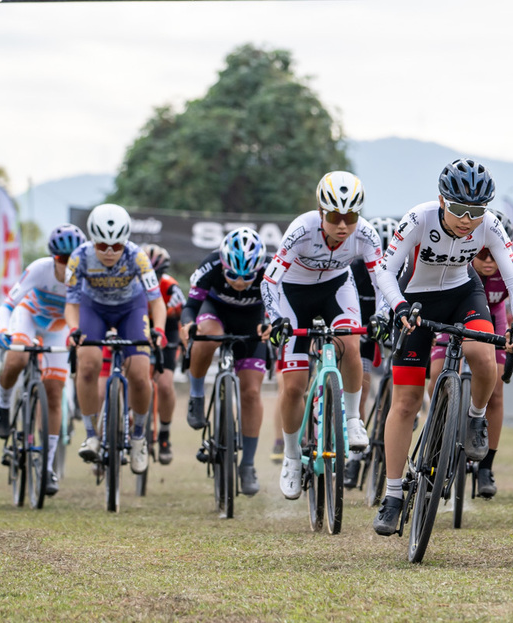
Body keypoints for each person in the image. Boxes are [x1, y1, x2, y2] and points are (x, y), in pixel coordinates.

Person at [371, 158, 513, 536]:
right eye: (458, 210)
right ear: (442, 200)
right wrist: (398, 306)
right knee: (406, 403)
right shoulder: (419, 218)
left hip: (463, 294)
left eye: (476, 212)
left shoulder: (488, 225)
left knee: (482, 354)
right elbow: (384, 270)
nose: (466, 220)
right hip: (416, 299)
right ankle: (392, 496)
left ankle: (475, 419)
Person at [261, 171, 382, 501]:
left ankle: (354, 420)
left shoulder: (366, 235)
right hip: (294, 295)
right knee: (294, 385)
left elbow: (381, 278)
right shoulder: (301, 229)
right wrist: (275, 319)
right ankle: (290, 457)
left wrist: (384, 314)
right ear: (320, 211)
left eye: (351, 217)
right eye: (334, 217)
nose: (343, 226)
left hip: (336, 289)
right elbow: (269, 281)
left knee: (350, 344)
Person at [425, 210, 513, 498]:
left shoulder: (512, 268)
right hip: (456, 313)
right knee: (437, 378)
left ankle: (485, 467)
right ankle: (436, 447)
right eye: (483, 255)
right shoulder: (458, 264)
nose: (490, 262)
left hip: (493, 318)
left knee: (495, 391)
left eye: (495, 255)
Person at [65, 204, 166, 476]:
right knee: (87, 366)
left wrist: (159, 329)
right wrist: (73, 329)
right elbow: (72, 303)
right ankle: (91, 435)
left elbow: (156, 302)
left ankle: (138, 438)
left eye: (116, 246)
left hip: (130, 309)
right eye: (102, 245)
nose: (109, 252)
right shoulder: (79, 257)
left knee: (140, 373)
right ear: (91, 240)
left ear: (126, 242)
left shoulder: (138, 257)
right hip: (92, 309)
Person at [0, 224, 86, 495]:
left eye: (73, 259)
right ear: (53, 257)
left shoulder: (85, 275)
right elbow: (7, 306)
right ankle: (3, 403)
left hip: (57, 328)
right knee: (18, 358)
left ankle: (46, 466)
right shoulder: (39, 270)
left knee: (55, 391)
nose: (67, 265)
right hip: (29, 317)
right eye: (61, 259)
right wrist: (3, 331)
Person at [181, 227, 270, 496]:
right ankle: (196, 395)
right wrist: (187, 326)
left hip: (252, 323)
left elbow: (281, 305)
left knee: (252, 392)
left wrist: (270, 325)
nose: (240, 282)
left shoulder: (272, 268)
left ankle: (248, 465)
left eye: (247, 277)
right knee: (208, 334)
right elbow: (189, 308)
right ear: (223, 265)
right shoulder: (209, 265)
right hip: (215, 313)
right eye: (232, 275)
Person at [344, 216, 401, 489]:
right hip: (361, 330)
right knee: (362, 387)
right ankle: (354, 459)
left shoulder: (406, 269)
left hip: (391, 328)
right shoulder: (354, 269)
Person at [141, 244, 185, 465]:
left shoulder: (170, 287)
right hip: (139, 324)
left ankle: (165, 435)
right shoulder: (130, 283)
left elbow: (184, 316)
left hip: (167, 327)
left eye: (155, 275)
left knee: (165, 384)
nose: (151, 279)